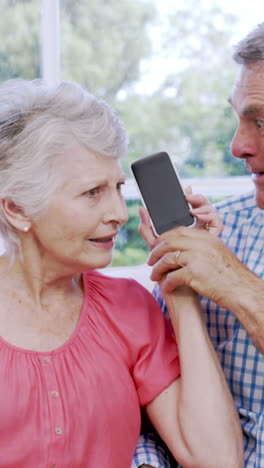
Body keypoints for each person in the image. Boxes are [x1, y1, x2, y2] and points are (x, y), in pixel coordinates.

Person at [0, 78, 242, 468]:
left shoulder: (128, 308)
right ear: (17, 209)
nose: (118, 213)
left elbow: (217, 459)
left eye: (117, 187)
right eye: (92, 192)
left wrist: (179, 284)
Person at [133, 21, 264, 468]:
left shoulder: (221, 260)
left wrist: (240, 288)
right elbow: (153, 416)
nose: (237, 146)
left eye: (261, 120)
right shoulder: (219, 233)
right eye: (239, 118)